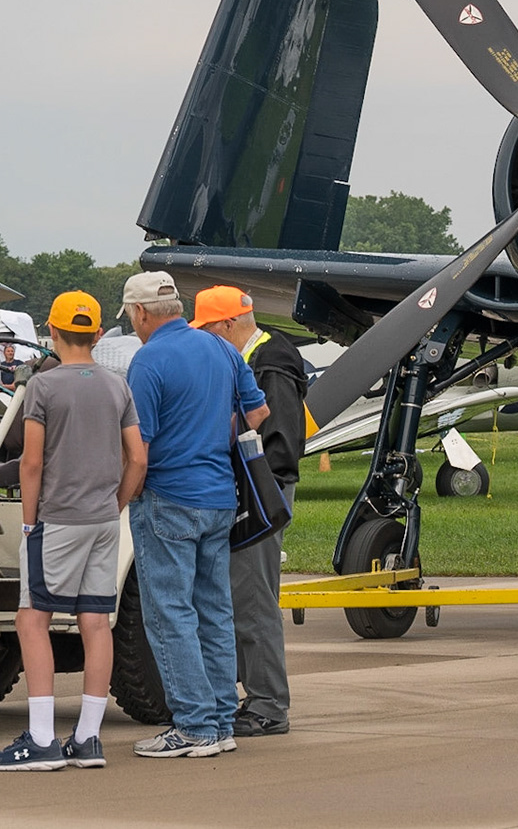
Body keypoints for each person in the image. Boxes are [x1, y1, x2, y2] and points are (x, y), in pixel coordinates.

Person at [0, 292, 146, 771]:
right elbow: (137, 458)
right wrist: (117, 504)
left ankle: (40, 738)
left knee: (32, 620)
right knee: (95, 622)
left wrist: (30, 520)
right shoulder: (118, 387)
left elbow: (31, 462)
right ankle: (88, 738)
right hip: (101, 520)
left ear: (51, 333)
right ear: (96, 334)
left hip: (58, 519)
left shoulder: (43, 388)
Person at [121, 272, 267, 758]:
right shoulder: (222, 349)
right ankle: (222, 721)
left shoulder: (148, 361)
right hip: (219, 497)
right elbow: (258, 414)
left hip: (168, 497)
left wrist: (121, 499)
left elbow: (137, 451)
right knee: (214, 611)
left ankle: (194, 724)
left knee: (170, 613)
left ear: (141, 313)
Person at [192, 286, 305, 738]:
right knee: (244, 597)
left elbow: (279, 442)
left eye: (207, 330)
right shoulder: (262, 354)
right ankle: (255, 696)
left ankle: (268, 705)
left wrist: (260, 494)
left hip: (262, 490)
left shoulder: (270, 362)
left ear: (227, 325)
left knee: (254, 600)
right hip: (260, 489)